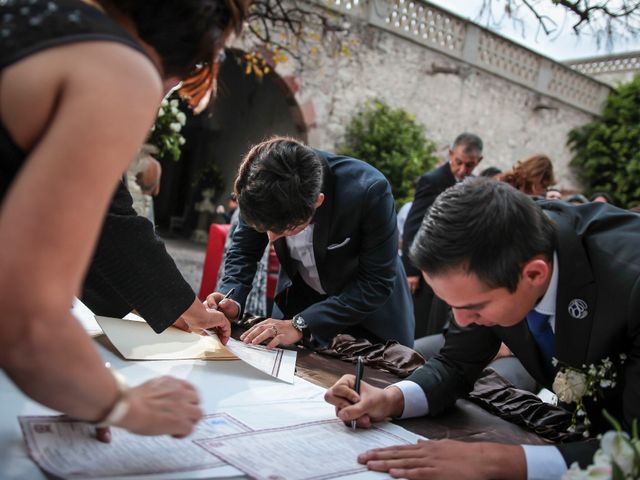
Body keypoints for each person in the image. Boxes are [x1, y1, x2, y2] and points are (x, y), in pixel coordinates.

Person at [0, 0, 246, 441]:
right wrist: (120, 402)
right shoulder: (119, 68)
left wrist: (181, 310)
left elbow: (102, 225)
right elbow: (25, 319)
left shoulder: (35, 20)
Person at [325, 177, 640, 479]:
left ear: (534, 275)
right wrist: (391, 398)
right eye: (452, 305)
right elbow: (457, 363)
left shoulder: (630, 284)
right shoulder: (499, 251)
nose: (460, 321)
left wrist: (500, 461)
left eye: (473, 307)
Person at [208, 137, 414, 349]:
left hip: (369, 319)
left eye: (285, 229)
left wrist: (301, 324)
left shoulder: (370, 191)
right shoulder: (260, 182)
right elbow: (244, 250)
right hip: (297, 307)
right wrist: (230, 298)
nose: (271, 238)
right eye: (265, 229)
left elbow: (375, 283)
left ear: (318, 202)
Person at [402, 133, 483, 338]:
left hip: (452, 267)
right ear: (450, 154)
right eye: (459, 163)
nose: (463, 170)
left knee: (438, 323)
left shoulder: (474, 184)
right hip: (424, 265)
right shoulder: (433, 180)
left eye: (470, 165)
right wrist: (411, 269)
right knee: (420, 321)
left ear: (479, 162)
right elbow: (414, 224)